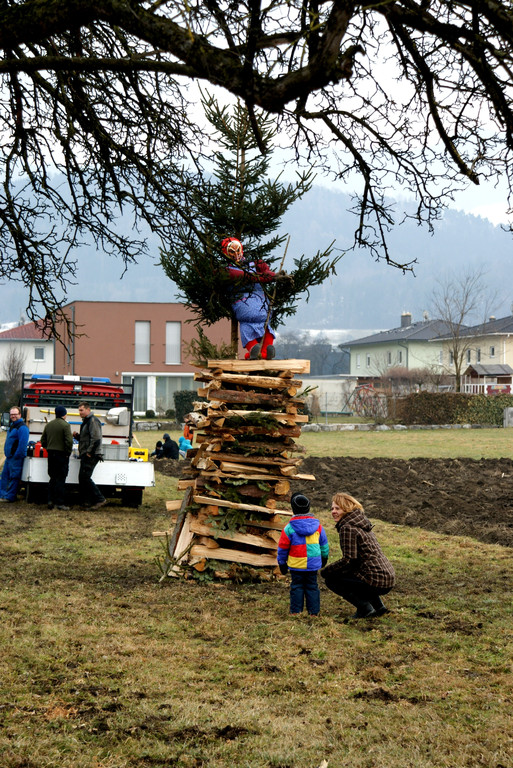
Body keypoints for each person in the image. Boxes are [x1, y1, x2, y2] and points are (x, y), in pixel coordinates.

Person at [321, 492, 396, 618]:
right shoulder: (360, 522)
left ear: (347, 509)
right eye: (332, 508)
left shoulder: (347, 527)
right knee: (355, 573)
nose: (333, 511)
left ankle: (365, 609)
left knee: (331, 579)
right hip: (387, 576)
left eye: (337, 508)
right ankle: (379, 607)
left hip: (376, 580)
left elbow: (349, 560)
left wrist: (327, 570)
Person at [222, 236, 280, 360]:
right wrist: (273, 276)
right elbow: (258, 275)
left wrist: (269, 273)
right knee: (266, 324)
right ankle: (266, 349)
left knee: (246, 326)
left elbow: (255, 275)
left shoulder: (228, 270)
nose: (236, 254)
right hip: (262, 304)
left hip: (244, 305)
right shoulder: (252, 265)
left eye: (237, 250)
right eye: (232, 251)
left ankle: (254, 348)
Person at [277, 492, 329, 616]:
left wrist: (282, 563)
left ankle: (296, 612)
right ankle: (313, 613)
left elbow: (282, 548)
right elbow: (324, 545)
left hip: (296, 565)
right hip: (313, 565)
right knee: (312, 586)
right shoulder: (318, 527)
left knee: (297, 587)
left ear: (293, 509)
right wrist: (324, 558)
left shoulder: (289, 528)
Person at [73, 401, 106, 509]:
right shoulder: (87, 421)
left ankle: (100, 499)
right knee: (83, 478)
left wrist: (89, 453)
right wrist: (77, 437)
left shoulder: (92, 421)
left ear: (88, 409)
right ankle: (86, 502)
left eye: (81, 410)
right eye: (79, 410)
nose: (80, 412)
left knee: (85, 478)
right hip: (87, 453)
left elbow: (96, 438)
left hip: (91, 455)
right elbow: (87, 438)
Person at [41, 405, 73, 510]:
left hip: (51, 454)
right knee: (61, 478)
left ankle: (50, 500)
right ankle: (59, 503)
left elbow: (43, 440)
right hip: (62, 455)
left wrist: (48, 448)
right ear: (64, 414)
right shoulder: (65, 425)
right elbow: (69, 441)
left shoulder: (49, 425)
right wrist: (68, 452)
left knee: (52, 478)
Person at [0, 405, 29, 503]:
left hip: (15, 458)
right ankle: (3, 495)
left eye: (15, 414)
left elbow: (22, 445)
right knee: (4, 476)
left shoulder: (22, 428)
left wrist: (17, 456)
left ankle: (10, 497)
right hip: (9, 457)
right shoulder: (12, 426)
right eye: (11, 414)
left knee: (14, 477)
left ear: (20, 415)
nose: (13, 416)